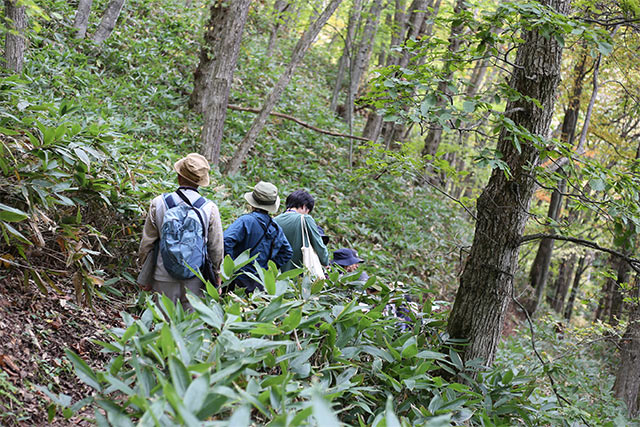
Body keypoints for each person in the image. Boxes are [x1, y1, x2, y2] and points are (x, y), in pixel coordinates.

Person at [137, 153, 224, 306]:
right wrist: (217, 276)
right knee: (191, 326)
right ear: (200, 182)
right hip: (196, 278)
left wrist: (146, 274)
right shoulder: (209, 208)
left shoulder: (159, 202)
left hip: (162, 275)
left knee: (164, 325)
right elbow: (216, 248)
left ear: (179, 176)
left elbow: (147, 244)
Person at [223, 181, 293, 293]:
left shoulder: (246, 221)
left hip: (238, 278)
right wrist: (268, 266)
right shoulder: (275, 227)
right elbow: (287, 252)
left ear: (252, 202)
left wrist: (230, 266)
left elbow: (226, 240)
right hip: (260, 281)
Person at [274, 190, 329, 271]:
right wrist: (325, 261)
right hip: (299, 273)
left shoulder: (274, 221)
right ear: (304, 206)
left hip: (278, 274)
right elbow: (318, 245)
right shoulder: (305, 219)